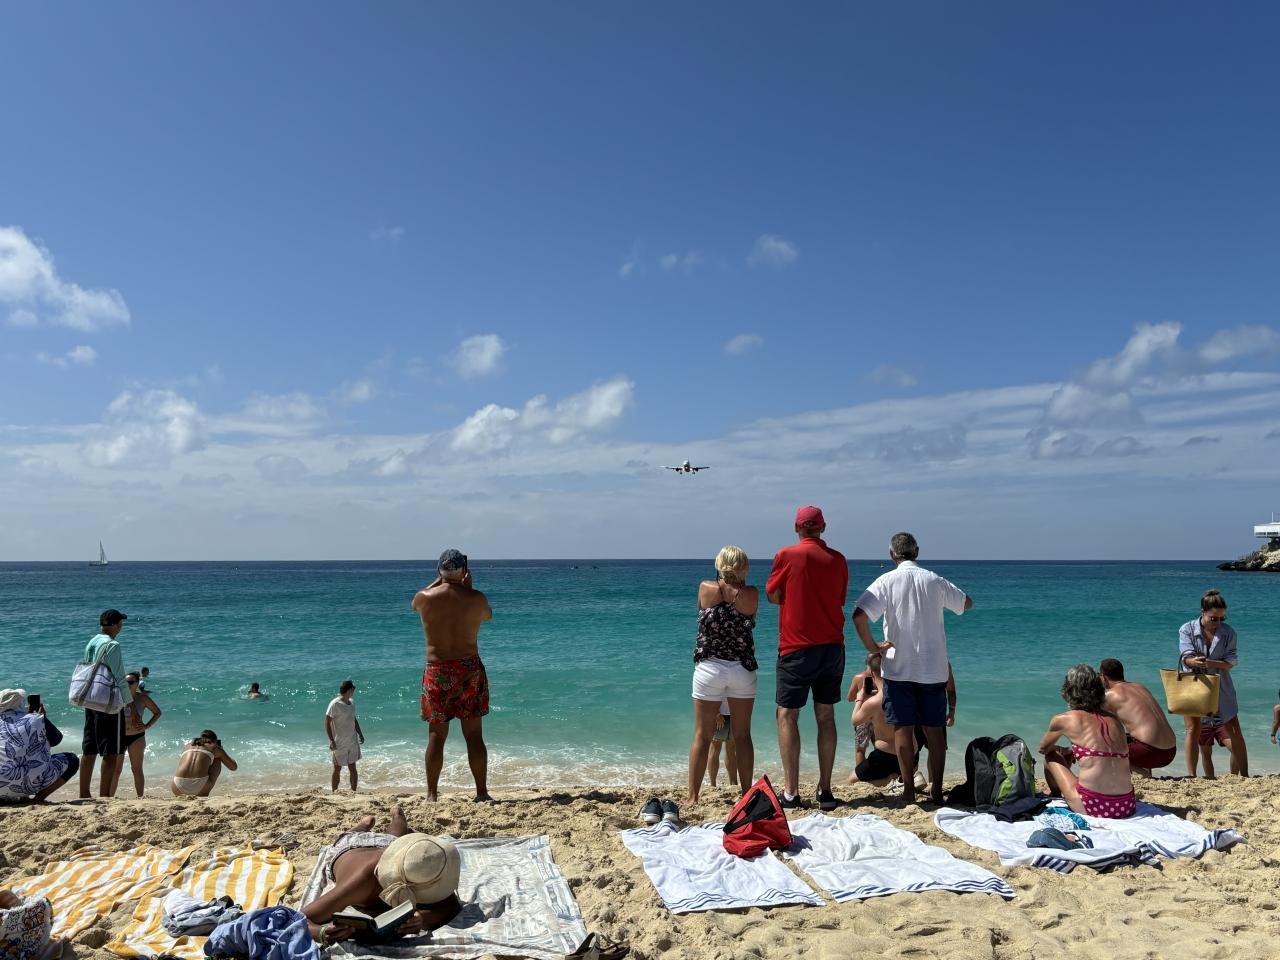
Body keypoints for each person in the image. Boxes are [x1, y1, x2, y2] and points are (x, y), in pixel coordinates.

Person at [852, 533, 971, 804]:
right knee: (934, 731)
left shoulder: (886, 581)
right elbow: (966, 603)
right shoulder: (934, 580)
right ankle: (937, 791)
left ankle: (908, 791)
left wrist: (873, 647)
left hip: (898, 669)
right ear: (916, 551)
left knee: (903, 730)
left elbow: (859, 616)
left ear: (892, 554)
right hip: (933, 669)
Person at [765, 506, 849, 811]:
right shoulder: (838, 559)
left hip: (796, 647)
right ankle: (825, 791)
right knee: (826, 715)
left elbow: (772, 594)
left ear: (797, 528)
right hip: (832, 647)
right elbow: (839, 599)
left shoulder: (786, 555)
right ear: (823, 527)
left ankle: (791, 792)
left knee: (787, 716)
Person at [302, 806, 461, 947]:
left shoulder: (422, 871)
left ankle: (397, 816)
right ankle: (361, 826)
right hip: (351, 847)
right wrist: (321, 932)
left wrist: (423, 919)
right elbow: (300, 918)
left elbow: (451, 905)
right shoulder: (361, 882)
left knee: (393, 837)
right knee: (346, 838)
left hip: (394, 850)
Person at [412, 549, 493, 801]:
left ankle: (431, 794)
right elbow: (487, 616)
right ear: (464, 571)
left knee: (436, 735)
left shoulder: (423, 598)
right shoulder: (476, 598)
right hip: (469, 669)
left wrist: (438, 581)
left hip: (437, 670)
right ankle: (481, 793)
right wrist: (469, 588)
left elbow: (414, 605)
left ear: (439, 570)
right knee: (474, 735)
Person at [687, 545, 758, 804]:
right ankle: (746, 793)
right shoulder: (751, 594)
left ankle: (693, 797)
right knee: (742, 735)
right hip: (741, 668)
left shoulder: (706, 588)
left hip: (710, 667)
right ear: (744, 567)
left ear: (720, 564)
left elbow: (701, 613)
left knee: (702, 735)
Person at [1039, 664, 1136, 818]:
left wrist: (1061, 751)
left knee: (1051, 755)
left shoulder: (1064, 719)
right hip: (1126, 805)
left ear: (1069, 690)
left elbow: (1043, 749)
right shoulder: (1115, 720)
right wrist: (1072, 751)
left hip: (1092, 806)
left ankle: (1055, 793)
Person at [1179, 589, 1247, 778]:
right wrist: (1192, 661)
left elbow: (1231, 661)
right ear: (1202, 612)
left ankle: (1244, 774)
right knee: (1192, 730)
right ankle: (1192, 776)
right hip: (1193, 682)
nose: (1218, 622)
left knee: (1234, 729)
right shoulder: (1187, 629)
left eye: (1222, 618)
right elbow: (1185, 655)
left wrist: (1210, 663)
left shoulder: (1229, 632)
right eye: (1213, 618)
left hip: (1221, 684)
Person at [79, 609, 133, 799]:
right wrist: (128, 702)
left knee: (89, 748)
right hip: (107, 701)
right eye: (120, 623)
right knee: (111, 752)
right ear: (116, 625)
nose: (121, 627)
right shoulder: (112, 645)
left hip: (91, 698)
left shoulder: (92, 641)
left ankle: (84, 793)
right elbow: (119, 676)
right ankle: (104, 797)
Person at [1098, 658, 1176, 777]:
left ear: (1103, 676)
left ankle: (1143, 775)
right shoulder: (1140, 687)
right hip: (1170, 751)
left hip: (1151, 752)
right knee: (1133, 736)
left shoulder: (1110, 695)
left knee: (1103, 747)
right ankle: (1145, 771)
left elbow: (1095, 721)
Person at [0, 689, 79, 803]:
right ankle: (38, 799)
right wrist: (43, 718)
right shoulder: (36, 718)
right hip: (33, 784)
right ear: (20, 703)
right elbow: (56, 740)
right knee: (72, 759)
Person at [111, 672, 161, 798]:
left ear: (137, 683)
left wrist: (147, 726)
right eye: (125, 682)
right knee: (116, 770)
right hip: (119, 736)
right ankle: (109, 798)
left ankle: (140, 797)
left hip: (137, 736)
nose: (128, 685)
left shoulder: (142, 698)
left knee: (137, 769)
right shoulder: (118, 697)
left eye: (131, 682)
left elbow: (157, 712)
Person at [171, 730, 237, 797]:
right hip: (200, 789)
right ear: (214, 741)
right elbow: (233, 767)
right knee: (218, 757)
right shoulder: (214, 747)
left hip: (177, 787)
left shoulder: (187, 746)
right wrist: (221, 750)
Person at [327, 679, 365, 793]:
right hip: (339, 742)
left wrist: (360, 733)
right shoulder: (335, 704)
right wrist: (331, 740)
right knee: (337, 768)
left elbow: (353, 719)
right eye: (353, 689)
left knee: (353, 768)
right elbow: (327, 722)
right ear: (348, 690)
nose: (354, 690)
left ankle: (353, 791)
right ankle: (334, 792)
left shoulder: (352, 703)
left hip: (352, 741)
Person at [704, 703, 739, 789]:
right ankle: (713, 785)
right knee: (715, 748)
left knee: (730, 749)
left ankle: (733, 784)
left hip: (734, 712)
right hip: (721, 713)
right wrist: (716, 712)